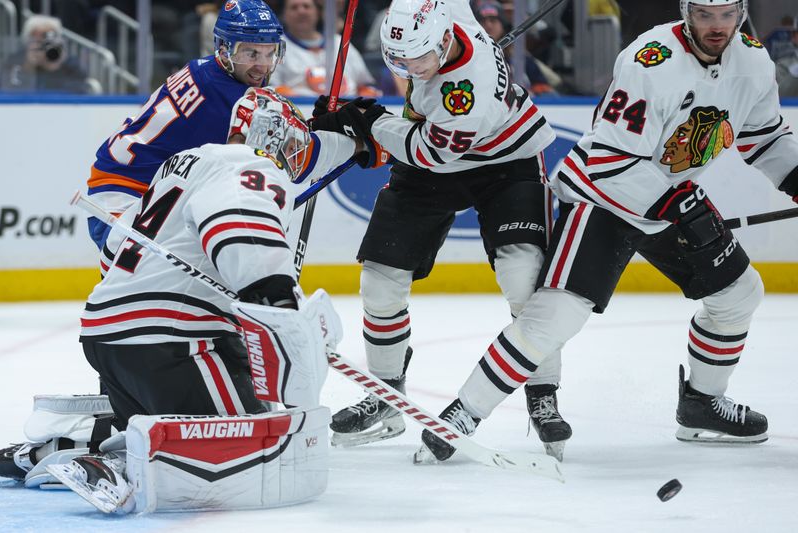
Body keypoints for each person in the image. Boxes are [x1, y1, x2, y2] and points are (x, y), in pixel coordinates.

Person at [419, 0, 798, 462]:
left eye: (725, 15)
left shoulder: (754, 62)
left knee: (739, 293)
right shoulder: (650, 61)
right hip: (604, 195)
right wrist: (671, 204)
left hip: (669, 197)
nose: (715, 26)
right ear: (685, 11)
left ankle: (701, 403)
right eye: (703, 14)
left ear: (740, 13)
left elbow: (765, 137)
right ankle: (465, 412)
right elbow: (611, 160)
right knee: (557, 314)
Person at [0, 88, 361, 513]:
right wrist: (274, 293)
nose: (295, 155)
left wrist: (357, 143)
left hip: (109, 332)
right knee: (261, 445)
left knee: (167, 422)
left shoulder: (184, 165)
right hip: (173, 339)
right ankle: (109, 464)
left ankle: (53, 449)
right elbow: (239, 222)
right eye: (292, 143)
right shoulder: (247, 165)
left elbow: (116, 248)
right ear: (270, 136)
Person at [310, 0, 572, 460]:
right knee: (379, 281)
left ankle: (542, 393)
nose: (411, 69)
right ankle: (386, 397)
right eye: (401, 61)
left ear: (445, 40)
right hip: (434, 148)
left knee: (524, 279)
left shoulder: (463, 94)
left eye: (419, 59)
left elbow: (428, 153)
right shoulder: (442, 14)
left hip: (504, 161)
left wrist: (368, 121)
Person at [86, 0, 286, 250]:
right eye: (251, 53)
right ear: (224, 49)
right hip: (126, 201)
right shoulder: (229, 94)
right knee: (149, 285)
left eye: (270, 52)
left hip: (136, 193)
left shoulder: (208, 70)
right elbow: (292, 156)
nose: (263, 65)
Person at [268, 0, 379, 97]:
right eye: (294, 7)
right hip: (300, 113)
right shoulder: (277, 45)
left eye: (306, 6)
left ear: (318, 12)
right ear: (284, 15)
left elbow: (365, 86)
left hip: (347, 111)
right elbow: (274, 88)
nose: (301, 11)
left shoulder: (340, 42)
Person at [0, 15, 95, 94]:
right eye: (37, 38)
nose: (43, 43)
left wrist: (56, 69)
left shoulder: (69, 62)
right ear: (28, 38)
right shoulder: (15, 60)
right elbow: (6, 91)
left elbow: (80, 92)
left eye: (47, 38)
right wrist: (28, 69)